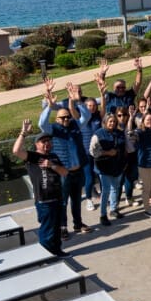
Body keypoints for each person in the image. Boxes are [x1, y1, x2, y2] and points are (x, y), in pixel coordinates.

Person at [39, 81, 92, 237]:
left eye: (67, 117)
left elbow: (86, 116)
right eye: (62, 118)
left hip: (78, 171)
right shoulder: (53, 129)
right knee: (63, 202)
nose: (65, 120)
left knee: (76, 200)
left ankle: (77, 223)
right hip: (63, 173)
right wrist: (49, 106)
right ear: (57, 120)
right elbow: (42, 123)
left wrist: (77, 101)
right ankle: (62, 227)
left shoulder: (75, 125)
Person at [12, 120, 69, 256]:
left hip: (57, 198)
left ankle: (57, 251)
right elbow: (16, 151)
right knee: (47, 231)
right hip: (44, 201)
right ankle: (45, 256)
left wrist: (52, 166)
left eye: (49, 141)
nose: (47, 143)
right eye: (43, 141)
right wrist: (23, 133)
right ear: (37, 144)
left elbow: (65, 172)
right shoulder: (33, 157)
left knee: (56, 229)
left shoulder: (53, 157)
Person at [89, 111, 127, 226]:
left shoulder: (119, 133)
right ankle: (103, 215)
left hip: (118, 166)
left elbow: (124, 147)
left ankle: (114, 209)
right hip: (104, 167)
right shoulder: (98, 134)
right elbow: (92, 151)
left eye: (114, 121)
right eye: (110, 121)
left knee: (115, 188)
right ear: (105, 122)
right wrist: (107, 152)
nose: (113, 123)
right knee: (105, 191)